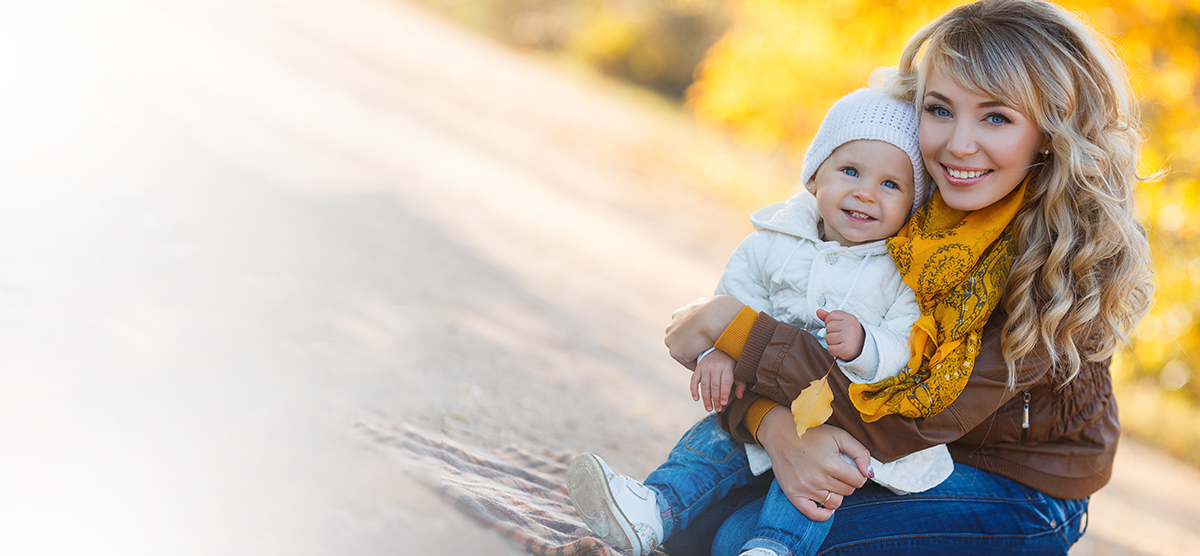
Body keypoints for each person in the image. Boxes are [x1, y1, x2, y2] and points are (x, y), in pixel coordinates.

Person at [661, 0, 1156, 554]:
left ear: (1050, 131)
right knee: (688, 527)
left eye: (996, 117)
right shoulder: (903, 192)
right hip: (891, 450)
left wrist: (731, 332)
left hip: (1013, 482)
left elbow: (911, 418)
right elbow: (793, 313)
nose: (957, 145)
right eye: (940, 109)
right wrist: (765, 417)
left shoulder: (1064, 255)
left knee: (738, 541)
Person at [568, 88, 956, 556]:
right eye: (850, 171)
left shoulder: (903, 273)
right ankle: (652, 509)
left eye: (891, 185)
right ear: (815, 176)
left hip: (849, 424)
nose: (865, 192)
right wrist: (717, 353)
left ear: (914, 205)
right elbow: (736, 300)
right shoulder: (774, 240)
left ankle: (774, 548)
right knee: (713, 438)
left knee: (815, 483)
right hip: (764, 404)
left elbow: (907, 346)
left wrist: (865, 345)